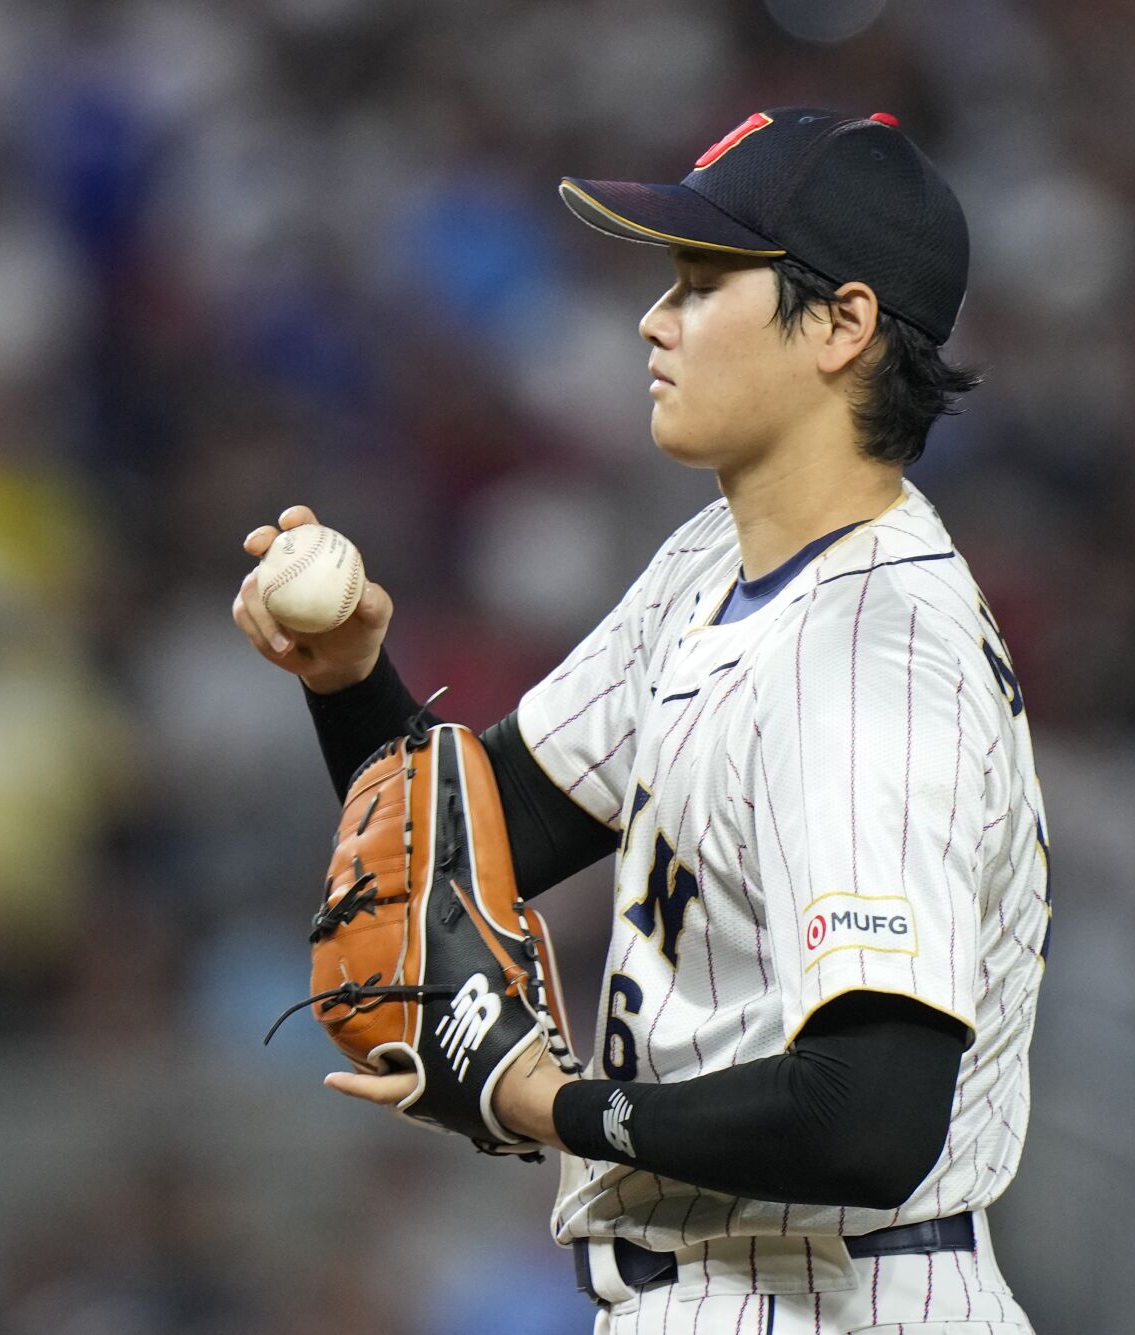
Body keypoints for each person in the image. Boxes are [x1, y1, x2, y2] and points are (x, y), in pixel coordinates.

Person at [233, 107, 1049, 1334]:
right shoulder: (717, 559)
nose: (651, 321)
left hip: (839, 1302)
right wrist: (349, 678)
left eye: (701, 283)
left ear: (842, 325)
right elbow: (470, 833)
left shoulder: (874, 658)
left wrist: (546, 1105)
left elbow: (870, 1119)